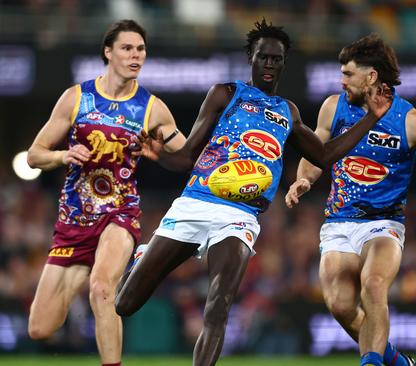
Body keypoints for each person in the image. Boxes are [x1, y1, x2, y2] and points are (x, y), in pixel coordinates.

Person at [114, 19, 391, 366]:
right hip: (197, 202)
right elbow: (187, 157)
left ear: (283, 62)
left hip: (241, 216)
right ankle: (144, 255)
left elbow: (324, 155)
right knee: (124, 304)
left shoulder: (287, 112)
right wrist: (159, 155)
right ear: (251, 57)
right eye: (264, 57)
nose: (270, 64)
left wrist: (372, 117)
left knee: (219, 304)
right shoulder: (226, 94)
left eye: (277, 59)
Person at [284, 34, 416, 366]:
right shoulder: (332, 107)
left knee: (373, 285)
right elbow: (315, 151)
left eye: (348, 75)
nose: (342, 81)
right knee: (340, 305)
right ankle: (395, 360)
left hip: (383, 224)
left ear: (370, 77)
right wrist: (303, 180)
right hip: (338, 222)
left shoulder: (411, 121)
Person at [26, 19, 185, 366]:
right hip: (74, 220)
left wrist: (161, 156)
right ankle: (94, 264)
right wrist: (61, 155)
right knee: (40, 327)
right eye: (127, 48)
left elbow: (188, 158)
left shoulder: (152, 108)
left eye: (141, 49)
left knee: (102, 289)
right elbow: (33, 154)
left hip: (120, 214)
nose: (136, 55)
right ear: (108, 52)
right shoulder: (76, 97)